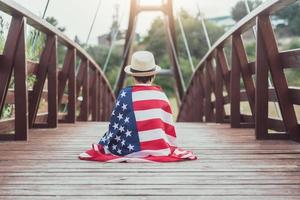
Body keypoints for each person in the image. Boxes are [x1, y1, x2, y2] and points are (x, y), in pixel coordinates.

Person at [79, 51, 196, 162]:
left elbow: (115, 125)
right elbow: (167, 126)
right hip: (158, 148)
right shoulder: (161, 95)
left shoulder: (125, 94)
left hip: (127, 148)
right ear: (153, 75)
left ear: (133, 76)